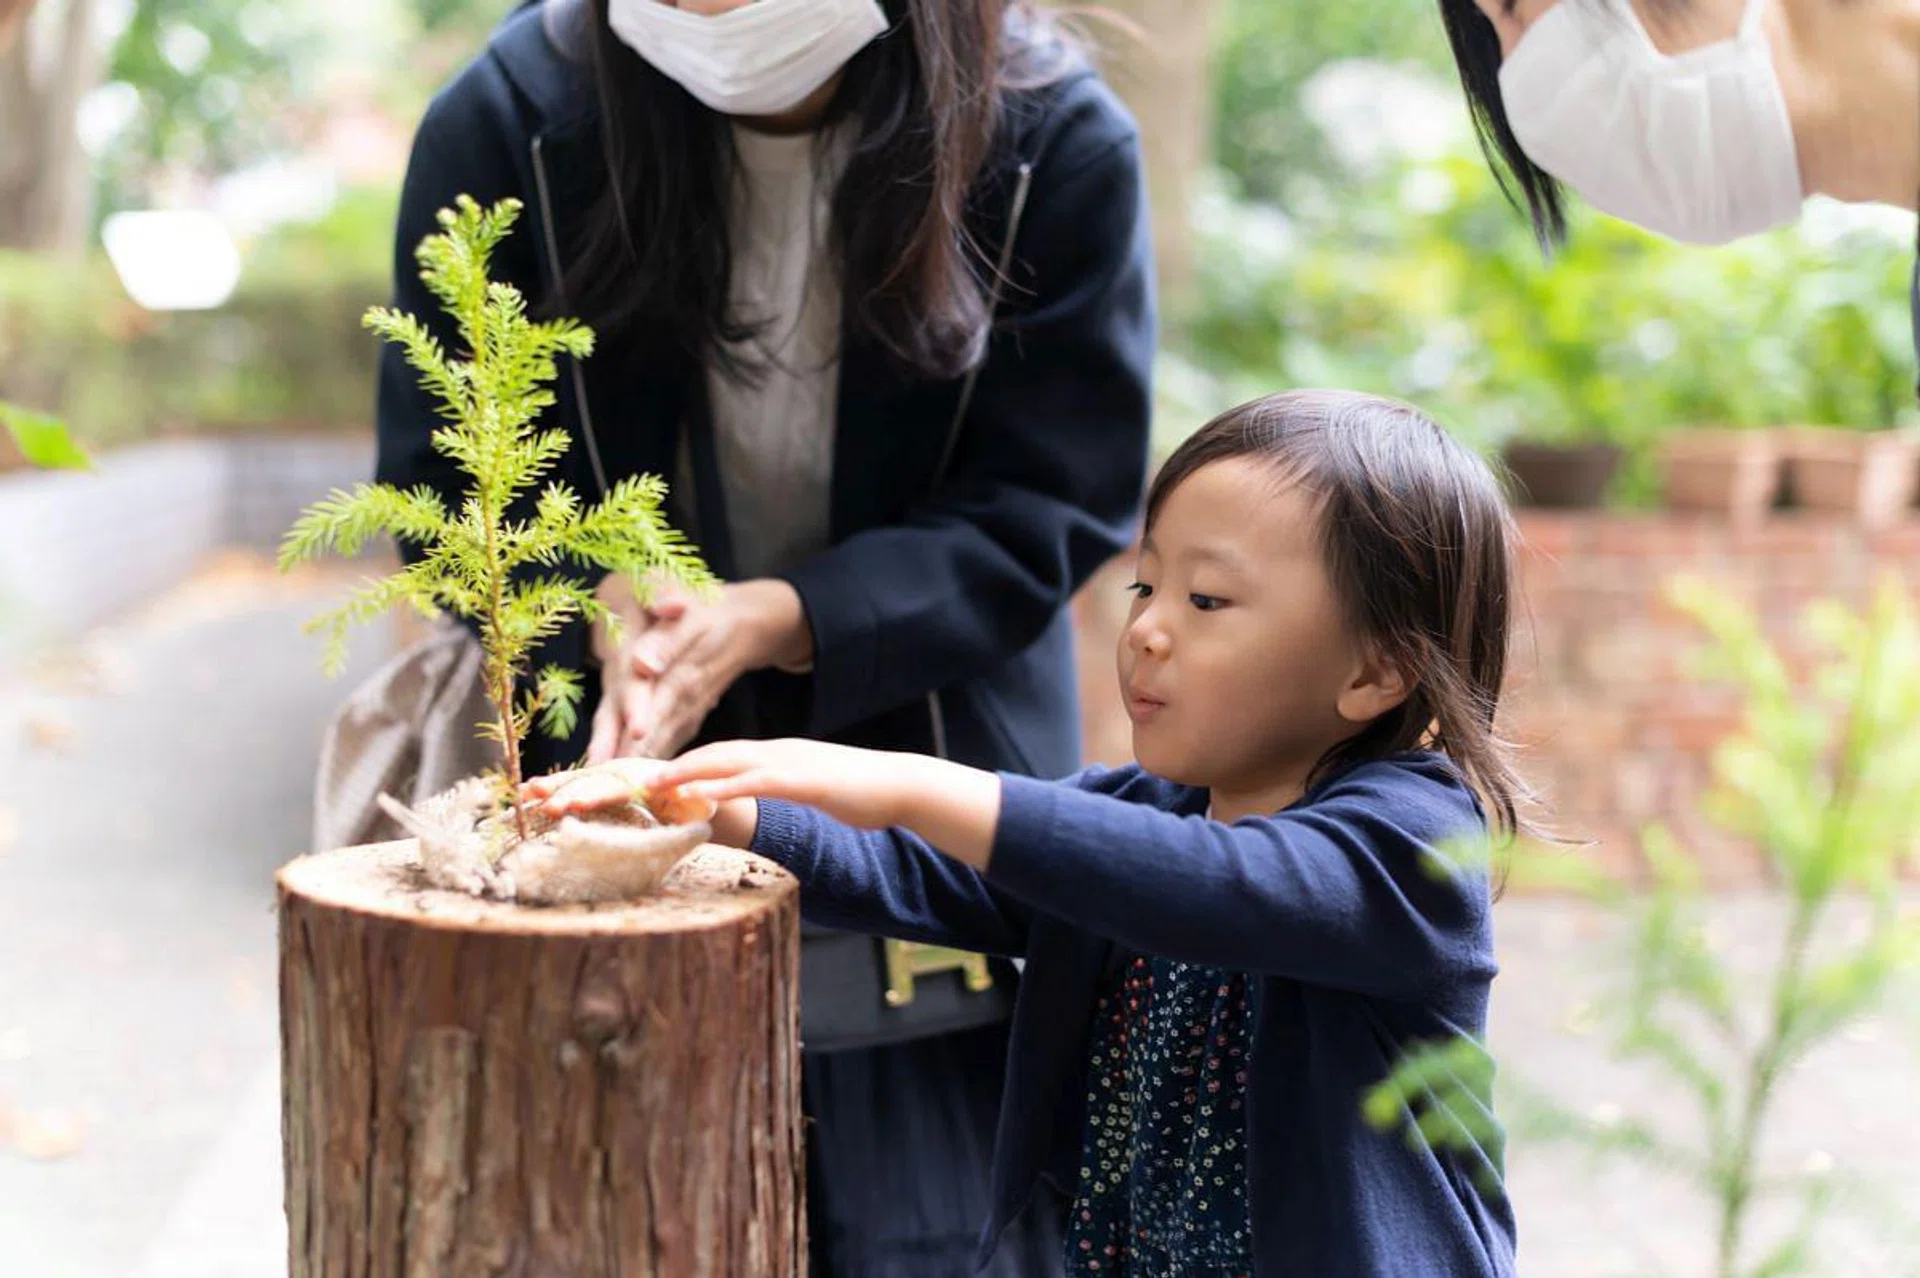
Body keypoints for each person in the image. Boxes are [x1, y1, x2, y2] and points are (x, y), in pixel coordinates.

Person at [374, 0, 1155, 1272]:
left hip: (930, 843)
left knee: (934, 1235)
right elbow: (447, 481)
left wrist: (787, 618)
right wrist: (601, 603)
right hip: (608, 839)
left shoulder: (1044, 140)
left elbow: (1049, 501)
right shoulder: (515, 120)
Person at [527, 389, 1524, 1277]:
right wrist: (717, 810)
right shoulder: (1153, 812)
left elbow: (1221, 886)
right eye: (1146, 586)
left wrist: (914, 782)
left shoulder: (1414, 845)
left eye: (1207, 599)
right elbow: (928, 872)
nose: (1147, 629)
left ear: (1375, 671)